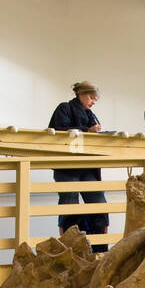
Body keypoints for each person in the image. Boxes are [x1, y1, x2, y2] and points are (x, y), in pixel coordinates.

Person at [49, 81, 109, 247]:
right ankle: (68, 248)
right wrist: (87, 132)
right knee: (69, 205)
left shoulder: (91, 114)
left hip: (89, 166)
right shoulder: (64, 108)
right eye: (91, 97)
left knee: (99, 204)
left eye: (95, 99)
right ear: (81, 94)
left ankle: (101, 247)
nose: (93, 101)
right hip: (68, 167)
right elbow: (62, 132)